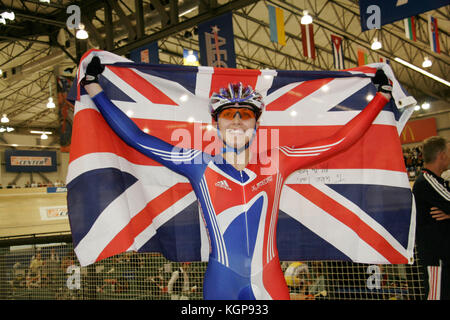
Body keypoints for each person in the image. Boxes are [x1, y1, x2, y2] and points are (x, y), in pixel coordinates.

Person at [81, 56, 393, 300]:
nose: (238, 123)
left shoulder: (278, 162)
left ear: (257, 125)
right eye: (229, 117)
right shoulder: (198, 165)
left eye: (246, 117)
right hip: (222, 281)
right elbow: (137, 138)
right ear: (215, 124)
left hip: (269, 277)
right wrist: (95, 88)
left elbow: (339, 141)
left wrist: (380, 98)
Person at [412, 136, 450, 300]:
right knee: (435, 296)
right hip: (436, 258)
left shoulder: (439, 181)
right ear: (442, 155)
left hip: (443, 257)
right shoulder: (426, 181)